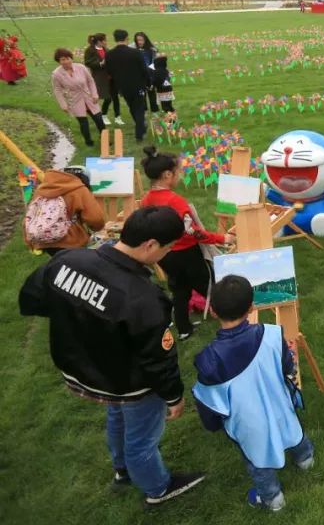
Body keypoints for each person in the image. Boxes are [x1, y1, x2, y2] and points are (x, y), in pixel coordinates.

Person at [19, 206, 206, 507]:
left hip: (85, 370)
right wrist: (173, 397)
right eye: (168, 248)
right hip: (129, 381)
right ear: (150, 246)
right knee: (142, 439)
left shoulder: (68, 259)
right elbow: (158, 360)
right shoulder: (146, 300)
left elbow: (32, 298)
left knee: (116, 415)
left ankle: (122, 470)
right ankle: (157, 488)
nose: (167, 254)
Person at [192, 275, 314, 511]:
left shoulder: (209, 360)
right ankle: (306, 459)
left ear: (214, 312)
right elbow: (288, 366)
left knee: (257, 459)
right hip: (280, 404)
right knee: (291, 428)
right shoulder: (272, 334)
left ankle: (272, 498)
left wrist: (212, 424)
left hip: (247, 423)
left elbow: (207, 402)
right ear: (251, 307)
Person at [140, 147, 233, 339]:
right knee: (209, 284)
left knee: (179, 289)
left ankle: (183, 329)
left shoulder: (147, 199)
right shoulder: (175, 201)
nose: (180, 176)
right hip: (186, 253)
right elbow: (193, 232)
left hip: (164, 255)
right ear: (167, 175)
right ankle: (231, 318)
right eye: (178, 172)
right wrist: (222, 238)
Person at [23, 165, 105, 255]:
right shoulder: (80, 190)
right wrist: (97, 229)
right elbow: (95, 218)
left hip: (44, 241)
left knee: (59, 264)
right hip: (71, 241)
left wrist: (29, 242)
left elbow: (31, 216)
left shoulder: (41, 190)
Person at [51, 47, 106, 147]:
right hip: (75, 99)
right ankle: (88, 142)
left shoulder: (81, 67)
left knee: (99, 119)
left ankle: (105, 139)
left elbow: (91, 81)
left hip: (89, 97)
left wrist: (95, 94)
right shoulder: (56, 74)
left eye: (68, 58)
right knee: (83, 122)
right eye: (63, 59)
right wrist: (63, 104)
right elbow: (57, 90)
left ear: (71, 58)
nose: (66, 61)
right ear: (58, 61)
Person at [104, 29, 151, 142]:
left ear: (115, 39)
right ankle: (139, 133)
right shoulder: (135, 52)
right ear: (126, 38)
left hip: (122, 86)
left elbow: (109, 71)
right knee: (139, 108)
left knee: (132, 106)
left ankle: (141, 126)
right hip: (138, 85)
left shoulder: (109, 54)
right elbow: (144, 70)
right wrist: (148, 83)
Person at [84, 33, 121, 125]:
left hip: (111, 76)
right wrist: (100, 63)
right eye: (105, 40)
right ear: (99, 41)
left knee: (115, 97)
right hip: (100, 77)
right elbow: (88, 62)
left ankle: (118, 117)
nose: (106, 42)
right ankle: (103, 115)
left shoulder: (106, 49)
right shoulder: (90, 50)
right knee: (107, 98)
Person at [134, 32, 158, 114]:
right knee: (141, 94)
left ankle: (154, 111)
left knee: (152, 92)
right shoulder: (134, 51)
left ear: (145, 40)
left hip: (150, 74)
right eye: (137, 40)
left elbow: (154, 62)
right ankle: (144, 110)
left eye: (141, 40)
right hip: (139, 76)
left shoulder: (151, 50)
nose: (139, 42)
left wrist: (151, 72)